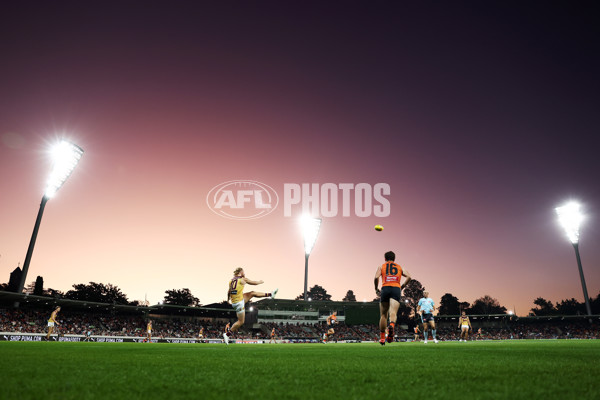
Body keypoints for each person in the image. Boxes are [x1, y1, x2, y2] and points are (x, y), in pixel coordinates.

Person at [224, 267, 277, 345]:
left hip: (236, 301)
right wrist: (260, 282)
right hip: (239, 302)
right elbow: (254, 283)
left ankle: (270, 294)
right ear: (240, 272)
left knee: (252, 293)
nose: (244, 273)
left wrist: (228, 300)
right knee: (241, 322)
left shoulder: (231, 281)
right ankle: (227, 334)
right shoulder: (243, 279)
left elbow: (229, 292)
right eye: (243, 271)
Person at [374, 251, 412, 346]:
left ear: (385, 259)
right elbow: (409, 277)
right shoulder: (399, 267)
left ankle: (382, 338)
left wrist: (376, 289)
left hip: (385, 288)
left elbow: (375, 277)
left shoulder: (381, 266)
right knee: (393, 312)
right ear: (394, 259)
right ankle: (391, 325)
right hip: (396, 288)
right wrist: (402, 286)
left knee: (383, 315)